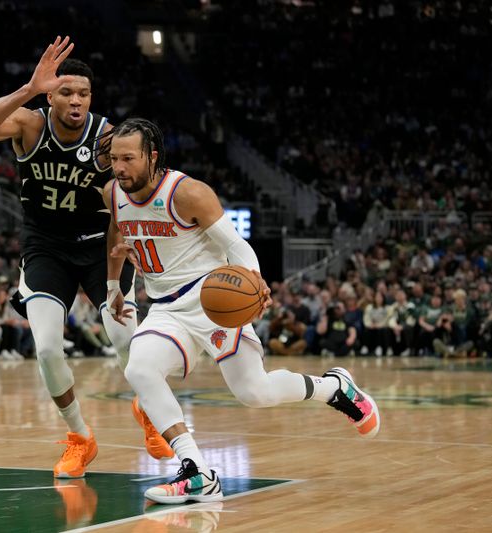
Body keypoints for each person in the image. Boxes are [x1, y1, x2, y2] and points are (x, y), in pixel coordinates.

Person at [102, 118, 381, 504]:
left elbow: (236, 245)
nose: (119, 167)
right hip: (165, 307)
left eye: (128, 158)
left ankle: (335, 388)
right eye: (114, 158)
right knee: (139, 368)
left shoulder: (188, 193)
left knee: (254, 392)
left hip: (212, 301)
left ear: (151, 157)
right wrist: (116, 286)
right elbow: (118, 232)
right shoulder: (113, 192)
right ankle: (197, 472)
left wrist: (257, 281)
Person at [0, 36, 167, 477]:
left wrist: (117, 274)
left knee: (126, 341)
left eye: (84, 93)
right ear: (51, 94)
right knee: (49, 351)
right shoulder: (30, 125)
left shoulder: (109, 138)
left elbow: (123, 203)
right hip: (46, 246)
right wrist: (26, 90)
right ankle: (80, 438)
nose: (76, 100)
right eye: (66, 92)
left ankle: (149, 410)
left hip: (98, 246)